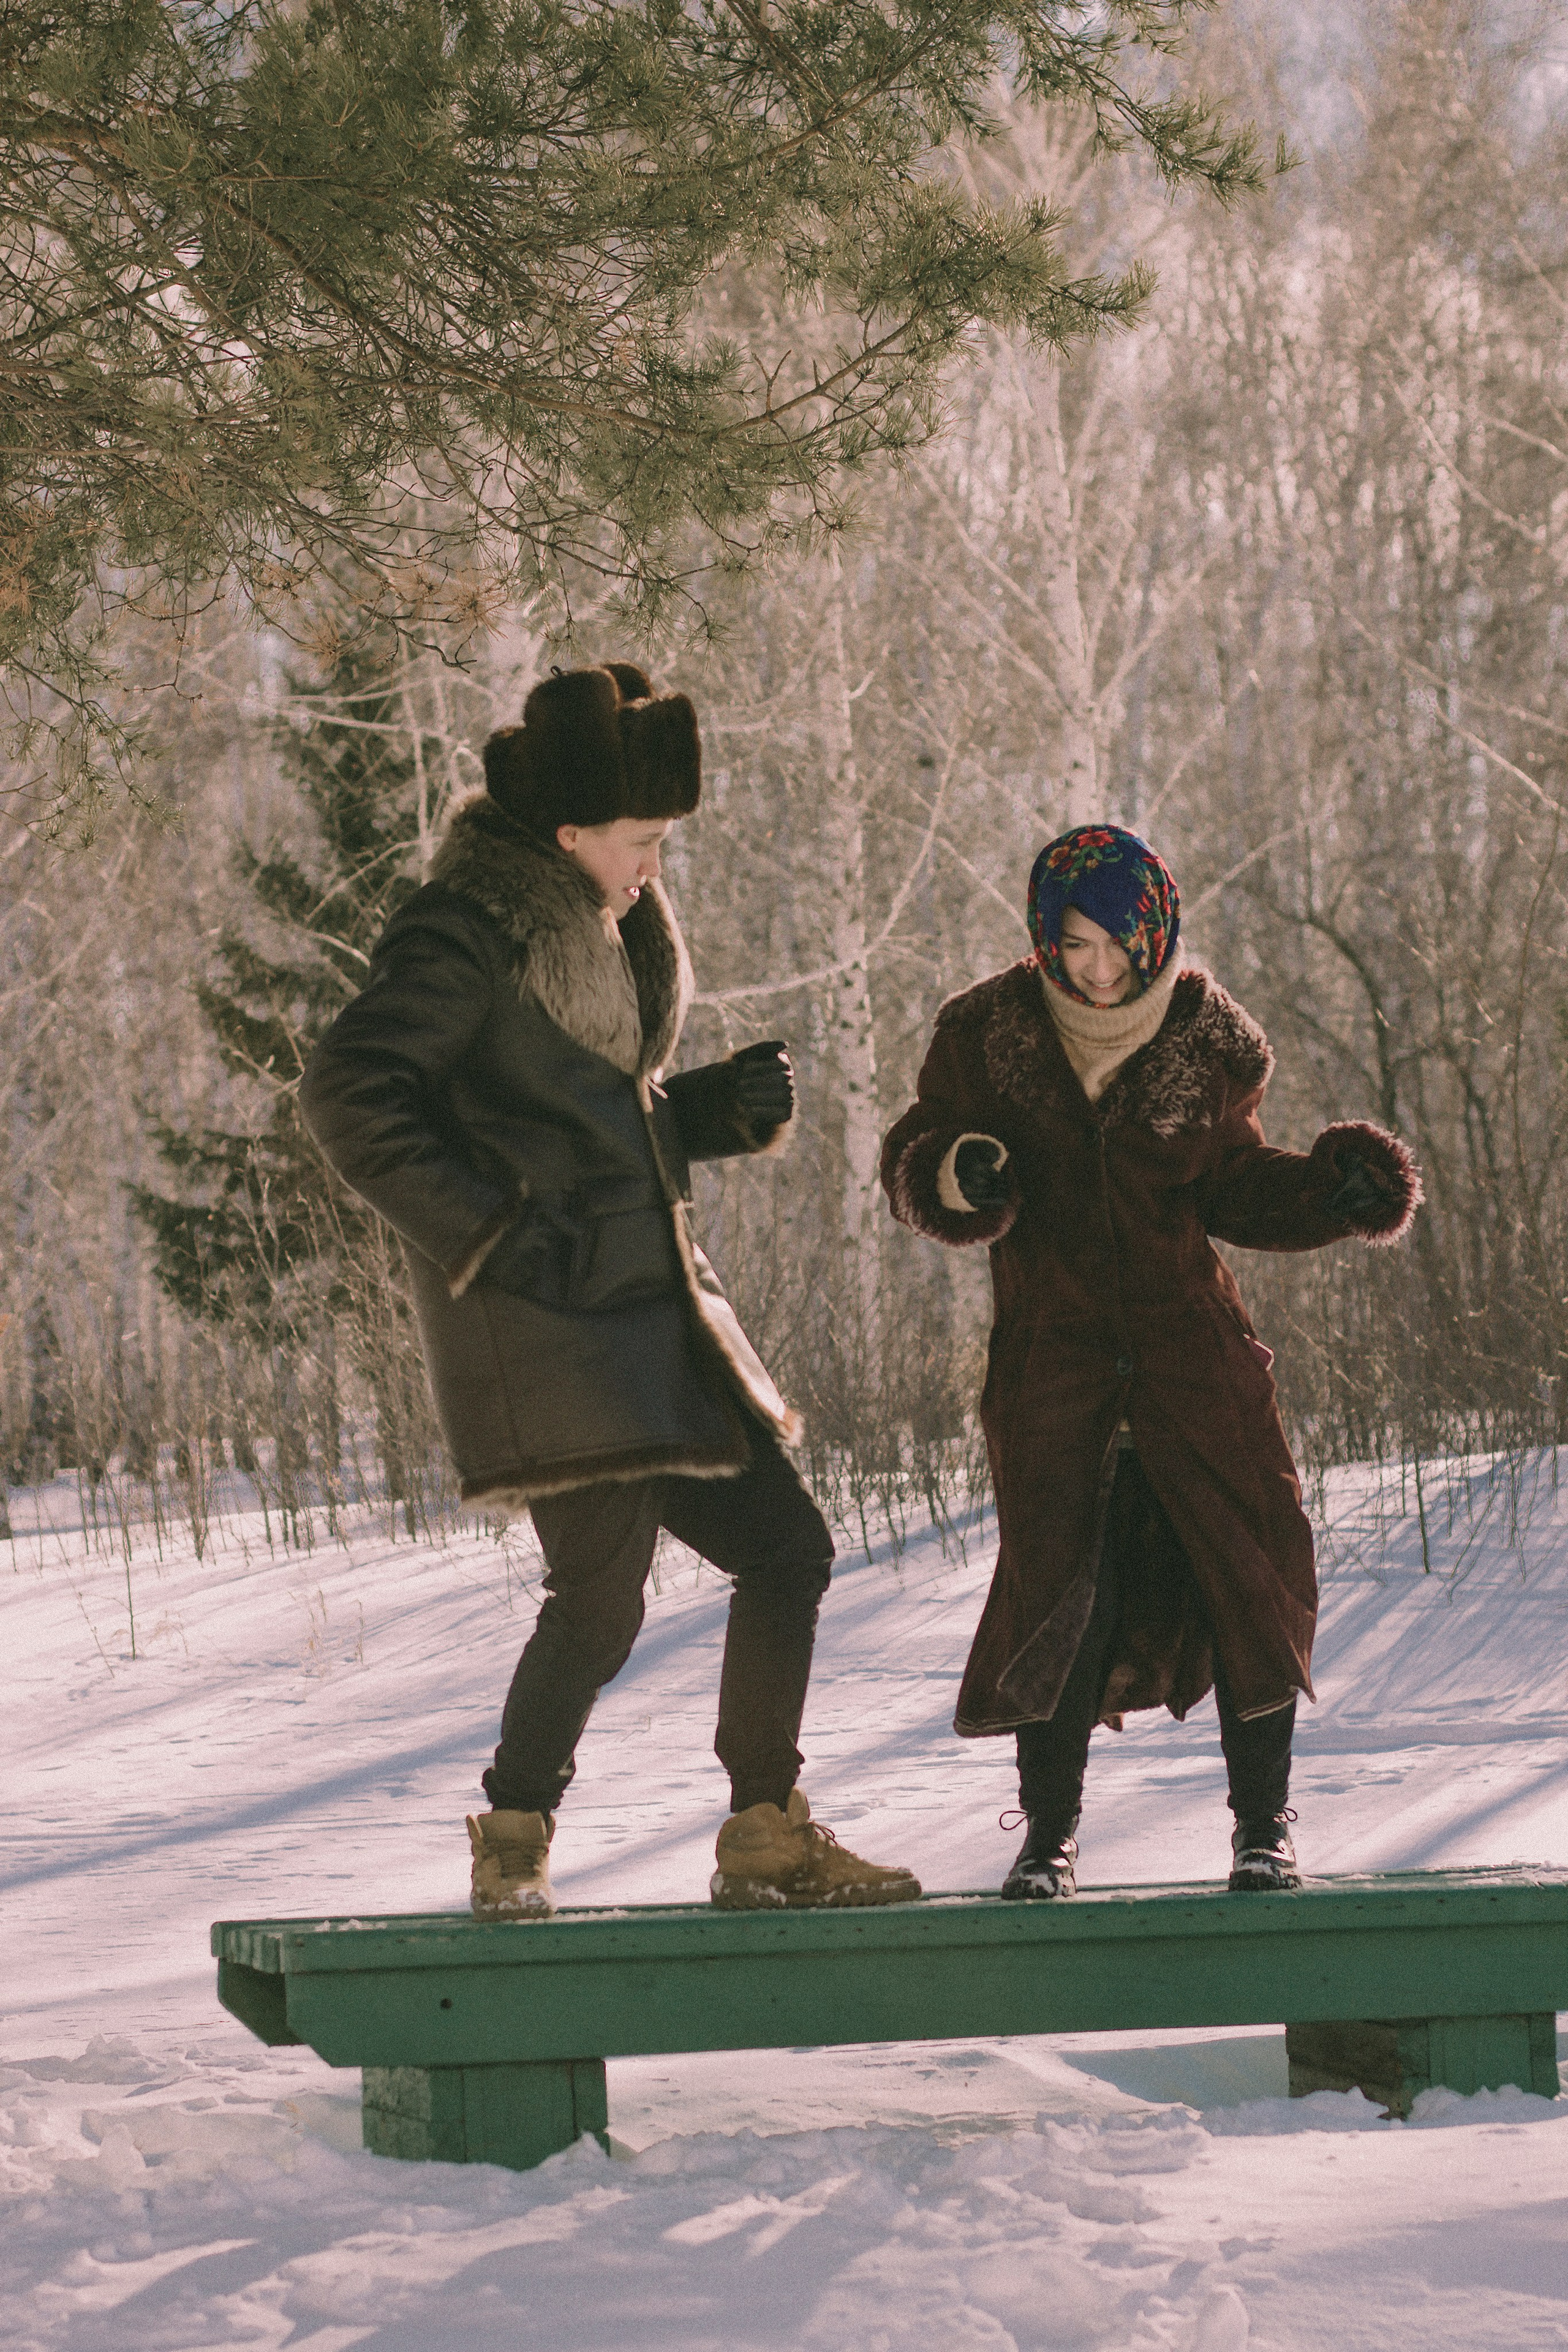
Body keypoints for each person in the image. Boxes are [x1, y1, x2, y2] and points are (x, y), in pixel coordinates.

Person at [300, 662, 918, 1920]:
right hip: (547, 1325)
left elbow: (580, 1116)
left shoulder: (600, 925)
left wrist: (706, 1111)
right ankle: (513, 1836)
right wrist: (491, 1234)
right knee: (599, 1599)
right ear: (568, 832)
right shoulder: (463, 932)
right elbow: (348, 1095)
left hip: (651, 1306)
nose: (652, 866)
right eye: (640, 841)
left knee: (787, 1549)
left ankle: (764, 1830)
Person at [880, 823, 1420, 1899]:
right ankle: (1047, 1839)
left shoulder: (1207, 1039)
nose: (1094, 968)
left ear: (1155, 932)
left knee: (1246, 1583)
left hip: (1193, 1364)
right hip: (1055, 1368)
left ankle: (1263, 1828)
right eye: (1072, 945)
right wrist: (955, 1171)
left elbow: (1231, 1185)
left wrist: (1329, 1194)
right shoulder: (985, 1035)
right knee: (1060, 1597)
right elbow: (914, 1152)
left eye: (1115, 944)